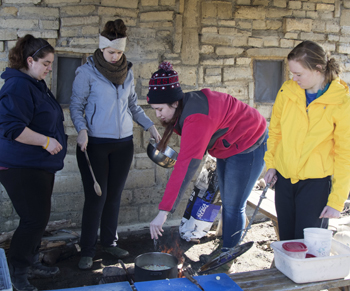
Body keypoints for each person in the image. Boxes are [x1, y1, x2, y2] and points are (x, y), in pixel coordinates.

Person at [146, 62, 268, 269]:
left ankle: (225, 259)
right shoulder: (184, 105)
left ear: (174, 103)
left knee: (232, 205)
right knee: (227, 199)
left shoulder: (196, 118)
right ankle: (227, 245)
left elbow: (185, 167)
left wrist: (163, 212)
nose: (157, 115)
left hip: (249, 143)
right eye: (154, 109)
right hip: (227, 144)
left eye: (159, 109)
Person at [70, 19, 161, 270]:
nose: (114, 56)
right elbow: (76, 106)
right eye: (111, 52)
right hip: (95, 144)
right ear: (101, 49)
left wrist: (149, 125)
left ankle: (109, 243)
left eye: (119, 52)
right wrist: (82, 130)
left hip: (123, 145)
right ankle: (87, 250)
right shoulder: (86, 72)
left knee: (114, 197)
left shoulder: (127, 72)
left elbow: (132, 106)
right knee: (96, 198)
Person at [264, 40, 350, 241]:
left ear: (318, 69)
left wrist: (336, 201)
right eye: (292, 73)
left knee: (308, 246)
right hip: (284, 181)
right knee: (286, 241)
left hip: (315, 186)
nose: (294, 78)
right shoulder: (287, 91)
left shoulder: (341, 102)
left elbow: (345, 154)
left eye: (299, 74)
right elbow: (276, 132)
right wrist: (271, 165)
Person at [0, 35, 67, 291]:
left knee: (39, 217)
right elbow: (11, 128)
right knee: (33, 219)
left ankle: (30, 262)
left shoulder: (35, 83)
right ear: (30, 60)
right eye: (46, 63)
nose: (50, 68)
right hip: (19, 165)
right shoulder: (18, 86)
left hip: (37, 165)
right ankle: (18, 273)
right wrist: (45, 142)